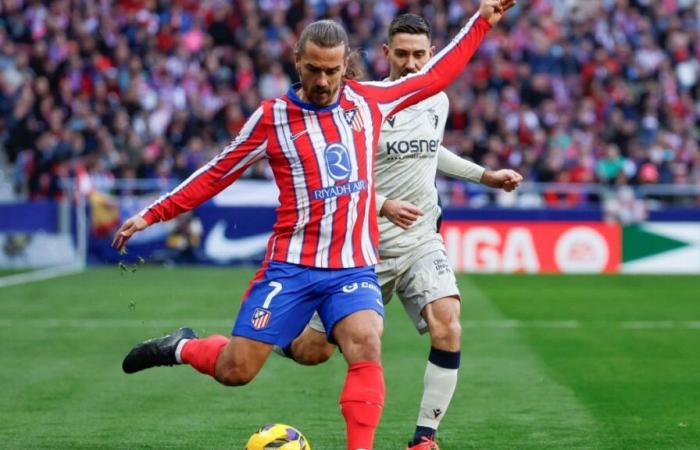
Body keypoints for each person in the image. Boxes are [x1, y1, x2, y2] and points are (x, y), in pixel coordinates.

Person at [112, 2, 517, 449]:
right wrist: (153, 212)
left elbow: (435, 76)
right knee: (238, 370)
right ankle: (183, 347)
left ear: (347, 66)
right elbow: (216, 172)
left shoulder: (368, 102)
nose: (323, 82)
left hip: (353, 266)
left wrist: (482, 21)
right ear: (297, 61)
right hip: (291, 266)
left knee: (366, 342)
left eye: (332, 71)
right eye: (313, 70)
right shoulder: (272, 119)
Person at [273, 13, 523, 450]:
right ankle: (271, 341)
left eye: (420, 55)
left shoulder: (436, 100)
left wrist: (486, 176)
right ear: (386, 54)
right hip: (361, 248)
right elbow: (334, 179)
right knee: (313, 352)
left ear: (431, 56)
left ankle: (424, 438)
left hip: (421, 239)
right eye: (402, 54)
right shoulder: (358, 106)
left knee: (448, 324)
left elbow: (432, 150)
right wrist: (382, 205)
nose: (411, 64)